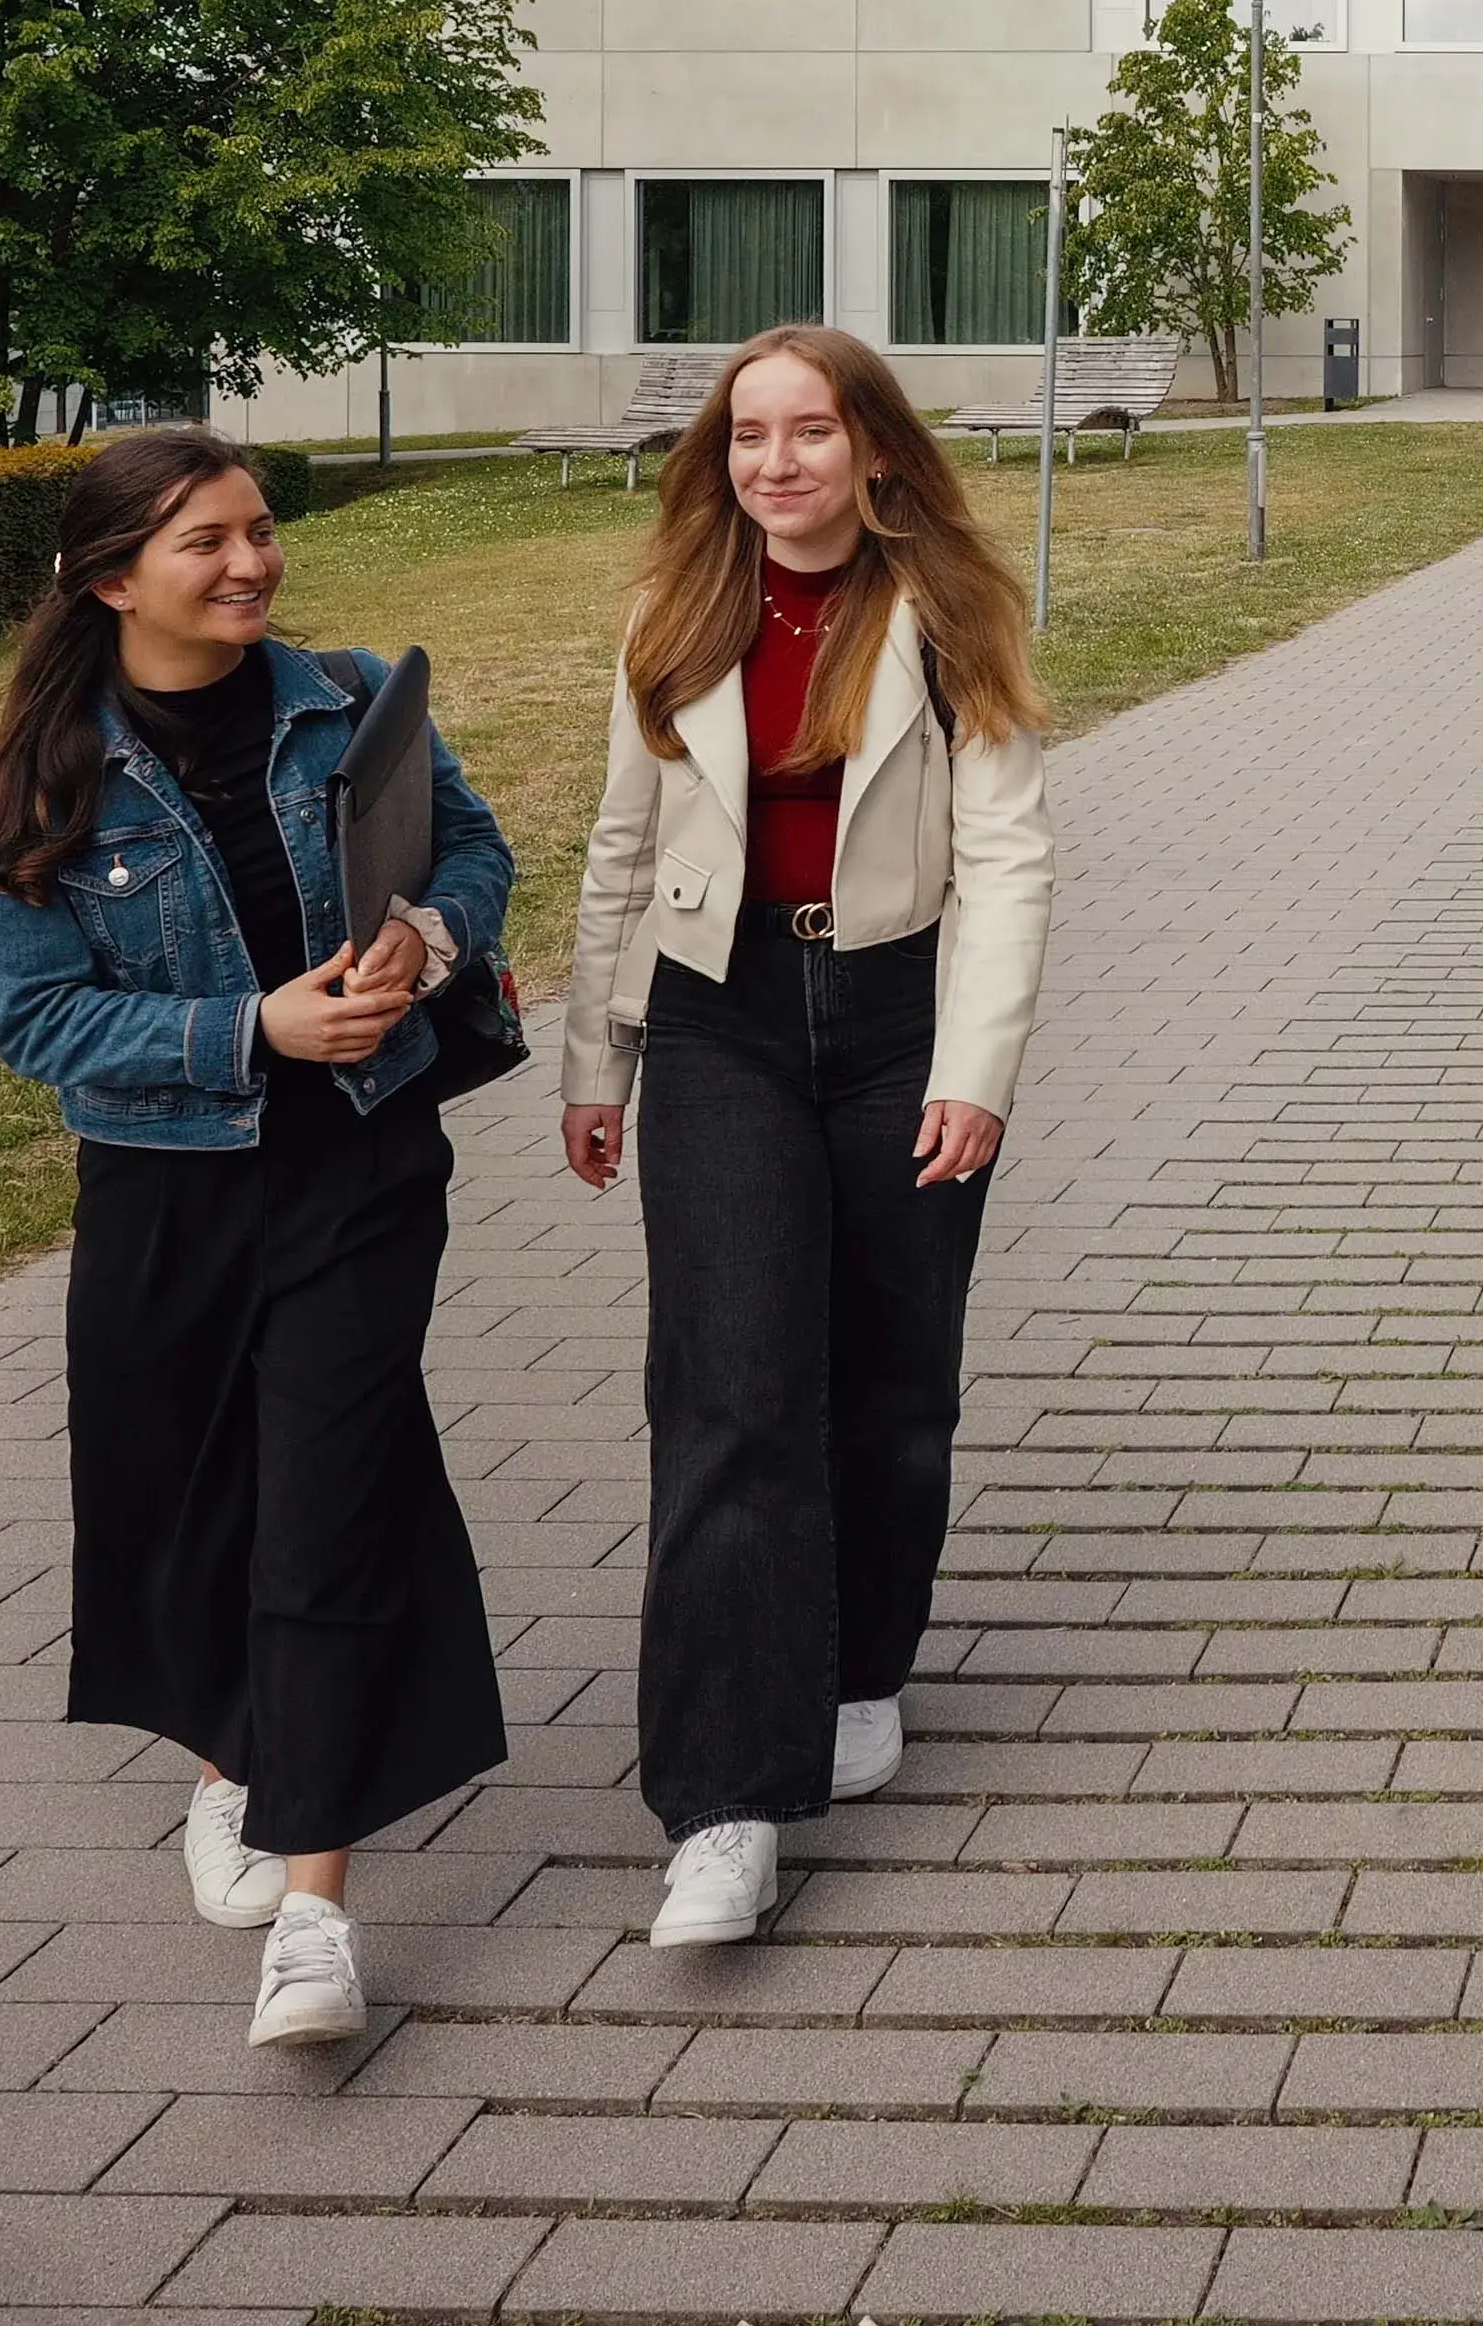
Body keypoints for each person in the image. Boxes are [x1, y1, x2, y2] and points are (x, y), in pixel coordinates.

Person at [0, 431, 515, 2053]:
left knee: (327, 1506)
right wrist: (252, 1026)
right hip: (166, 1188)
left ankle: (317, 1910)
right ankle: (229, 1758)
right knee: (193, 1504)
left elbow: (473, 848)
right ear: (110, 576)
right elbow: (38, 1017)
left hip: (362, 1166)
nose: (252, 561)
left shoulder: (347, 697)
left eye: (259, 528)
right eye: (206, 539)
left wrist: (428, 934)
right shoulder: (41, 774)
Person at [561, 330, 1054, 1950]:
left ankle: (858, 1663)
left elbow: (1007, 856)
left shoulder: (952, 610)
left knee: (895, 1379)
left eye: (810, 431)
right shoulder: (675, 612)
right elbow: (620, 845)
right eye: (748, 435)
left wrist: (976, 1069)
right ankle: (723, 1800)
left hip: (899, 1017)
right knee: (731, 1387)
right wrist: (596, 1058)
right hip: (720, 1015)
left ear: (875, 450)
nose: (774, 462)